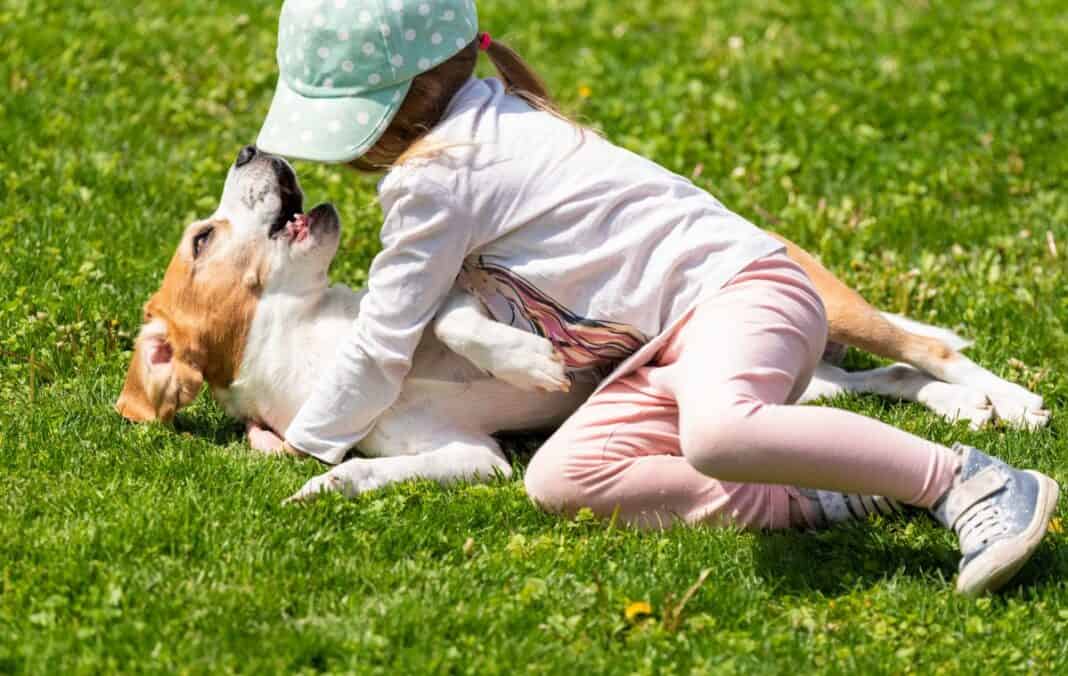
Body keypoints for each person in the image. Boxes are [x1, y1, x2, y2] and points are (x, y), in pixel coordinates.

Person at [255, 0, 1058, 595]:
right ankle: (824, 495)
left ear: (389, 111)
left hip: (741, 293)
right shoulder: (481, 123)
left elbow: (383, 340)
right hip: (666, 347)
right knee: (563, 479)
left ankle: (969, 481)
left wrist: (309, 441)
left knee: (716, 433)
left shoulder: (436, 178)